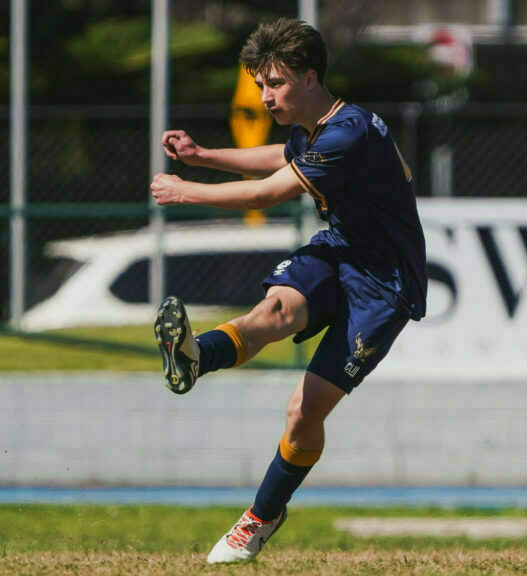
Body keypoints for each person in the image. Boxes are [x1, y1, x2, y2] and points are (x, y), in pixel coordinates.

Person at [151, 18, 427, 564]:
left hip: (383, 285)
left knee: (303, 413)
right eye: (259, 84)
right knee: (274, 310)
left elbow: (268, 193)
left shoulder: (349, 132)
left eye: (273, 83)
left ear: (308, 76)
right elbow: (277, 157)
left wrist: (187, 192)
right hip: (338, 250)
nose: (264, 95)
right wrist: (203, 156)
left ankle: (262, 516)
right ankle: (192, 358)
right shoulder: (313, 126)